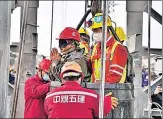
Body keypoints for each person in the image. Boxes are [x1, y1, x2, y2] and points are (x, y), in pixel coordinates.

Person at [44, 61, 118, 118]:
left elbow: (47, 112)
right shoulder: (91, 96)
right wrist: (107, 101)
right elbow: (102, 110)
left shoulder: (49, 97)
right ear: (81, 78)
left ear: (62, 78)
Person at [89, 13, 128, 83]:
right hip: (96, 90)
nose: (94, 34)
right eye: (93, 31)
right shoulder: (96, 48)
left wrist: (101, 83)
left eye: (96, 30)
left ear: (105, 29)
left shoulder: (118, 48)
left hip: (113, 91)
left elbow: (115, 75)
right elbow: (93, 70)